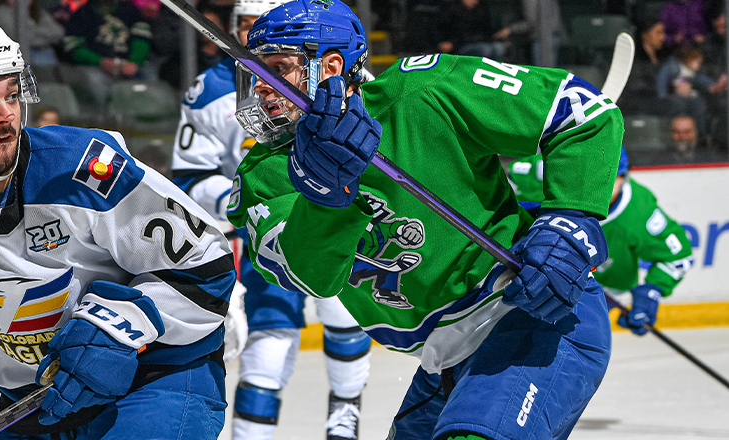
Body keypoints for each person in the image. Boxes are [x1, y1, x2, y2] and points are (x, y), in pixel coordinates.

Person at [227, 1, 623, 439]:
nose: (259, 86)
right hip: (443, 360)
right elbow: (311, 277)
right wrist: (324, 199)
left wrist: (569, 218)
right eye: (254, 72)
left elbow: (582, 111)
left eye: (277, 69)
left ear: (331, 67)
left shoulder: (421, 90)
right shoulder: (262, 175)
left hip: (530, 313)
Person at [0, 19, 235, 440]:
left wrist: (118, 325)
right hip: (37, 403)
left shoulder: (83, 169)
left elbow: (206, 265)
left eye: (12, 95)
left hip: (155, 376)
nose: (7, 116)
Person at [171, 0, 370, 438]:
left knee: (346, 316)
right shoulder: (211, 89)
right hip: (264, 222)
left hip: (338, 219)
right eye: (247, 24)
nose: (254, 35)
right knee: (270, 340)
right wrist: (242, 201)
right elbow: (191, 177)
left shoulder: (340, 76)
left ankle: (345, 411)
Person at [507, 149, 694, 336]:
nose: (597, 189)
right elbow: (508, 178)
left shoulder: (640, 213)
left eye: (608, 180)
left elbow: (678, 257)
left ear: (624, 177)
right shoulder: (549, 171)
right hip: (527, 270)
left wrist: (653, 289)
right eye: (591, 177)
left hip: (598, 291)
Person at [436, 0, 504, 61]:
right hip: (460, 45)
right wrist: (445, 43)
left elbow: (486, 31)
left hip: (481, 42)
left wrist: (495, 36)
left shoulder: (481, 10)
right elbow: (443, 30)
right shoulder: (452, 10)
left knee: (499, 47)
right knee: (485, 50)